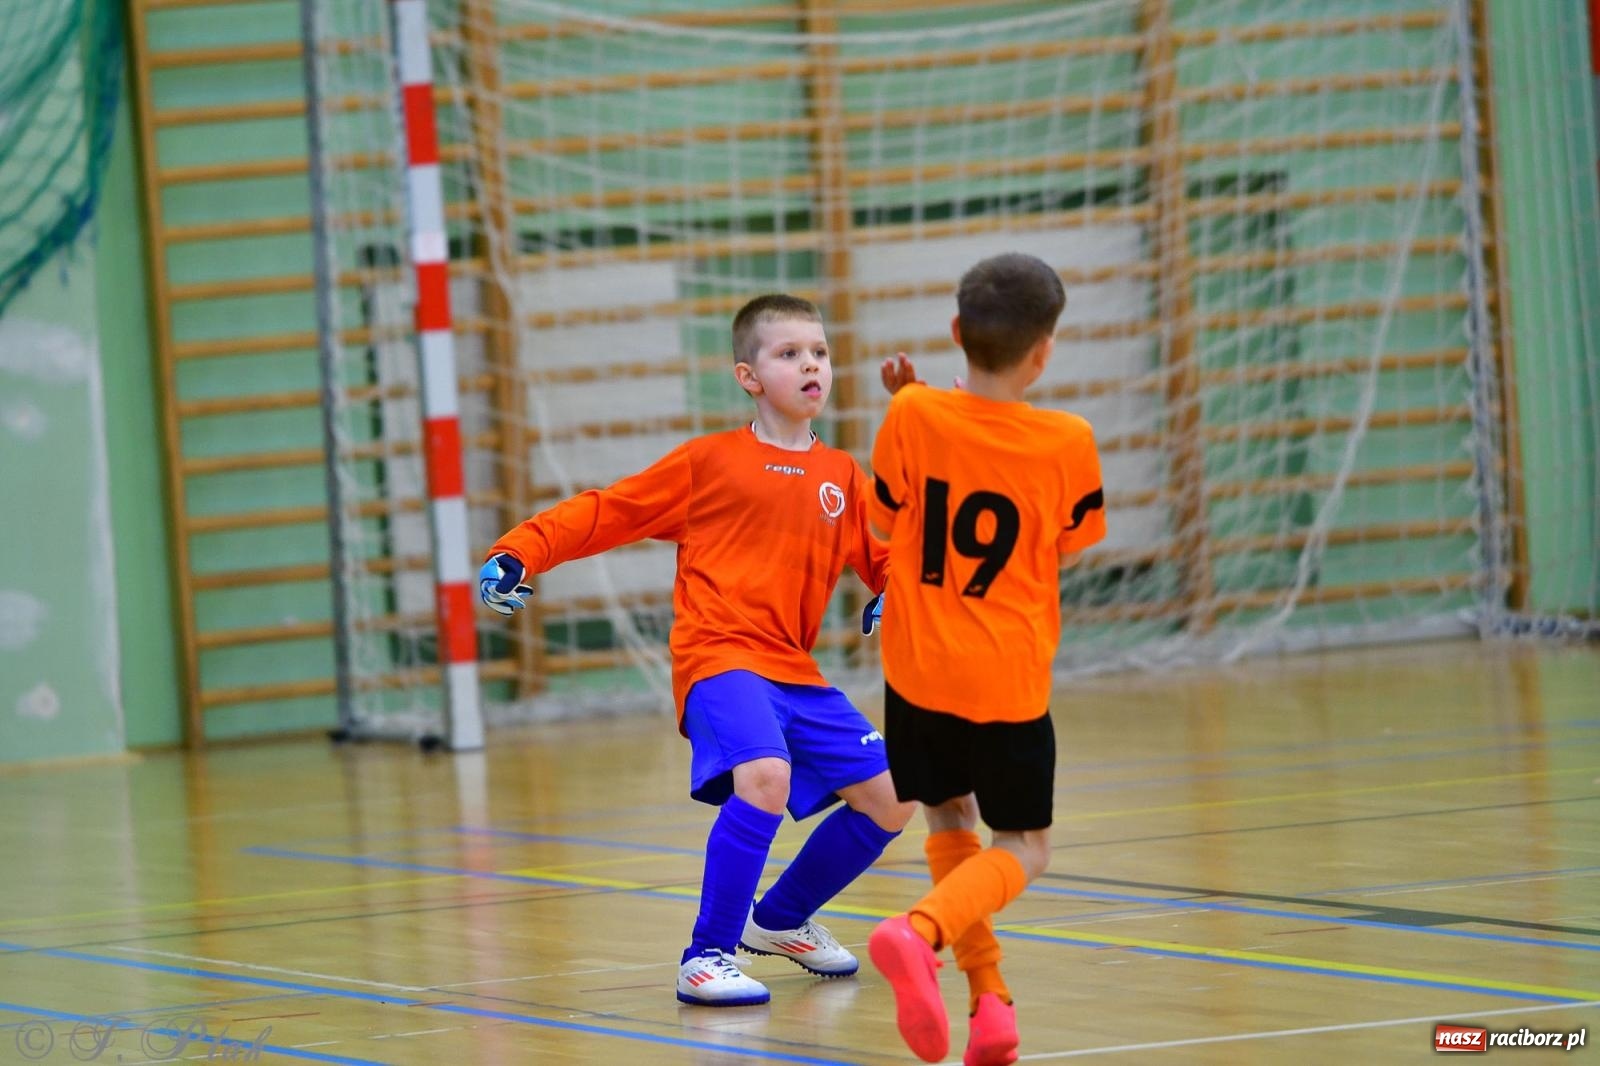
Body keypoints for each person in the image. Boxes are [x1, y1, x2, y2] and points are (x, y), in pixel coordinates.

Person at [477, 293, 915, 1008]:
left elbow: (888, 557)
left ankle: (779, 921)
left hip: (794, 673)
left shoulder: (842, 477)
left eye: (820, 352)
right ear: (748, 376)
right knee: (765, 776)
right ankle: (706, 954)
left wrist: (895, 590)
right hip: (719, 658)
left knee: (893, 797)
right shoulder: (709, 462)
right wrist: (519, 551)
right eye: (789, 353)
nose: (810, 364)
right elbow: (605, 511)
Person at [864, 253, 1107, 1064]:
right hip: (1004, 677)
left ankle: (990, 1002)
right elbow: (1067, 546)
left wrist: (914, 404)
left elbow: (890, 509)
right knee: (1026, 846)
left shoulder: (912, 416)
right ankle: (919, 929)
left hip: (917, 670)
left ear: (957, 332)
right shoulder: (1069, 440)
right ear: (1044, 352)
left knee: (949, 818)